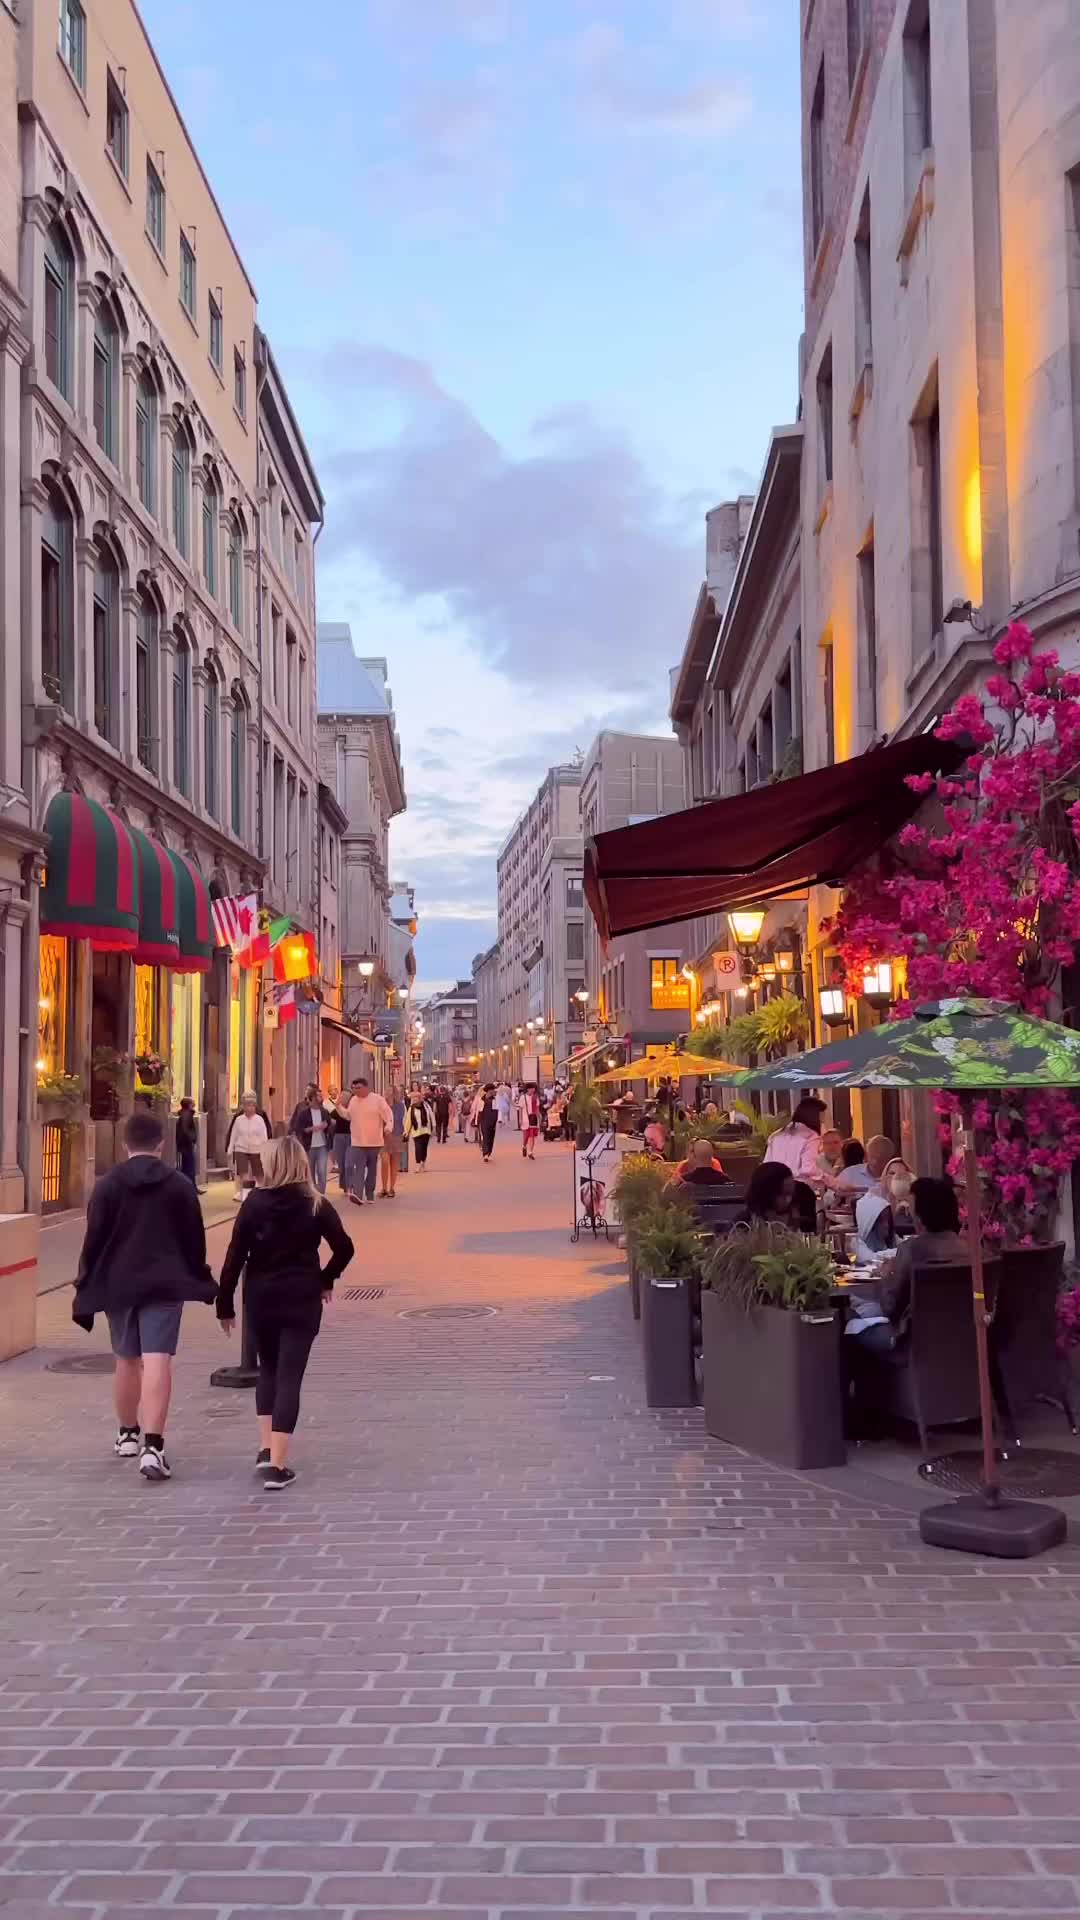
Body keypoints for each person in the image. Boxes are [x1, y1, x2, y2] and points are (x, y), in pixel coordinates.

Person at [73, 1108, 216, 1481]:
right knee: (157, 1360)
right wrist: (199, 1277)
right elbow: (193, 1240)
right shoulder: (179, 1185)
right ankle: (154, 1445)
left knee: (125, 1359)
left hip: (119, 1284)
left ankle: (127, 1434)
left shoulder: (107, 1185)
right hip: (165, 1283)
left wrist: (85, 1282)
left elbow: (94, 1240)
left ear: (124, 1144)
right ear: (162, 1143)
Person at [216, 1136, 354, 1491]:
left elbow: (235, 1256)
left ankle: (265, 1448)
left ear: (271, 1165)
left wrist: (225, 1304)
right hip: (301, 1297)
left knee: (269, 1372)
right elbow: (344, 1248)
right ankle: (278, 1465)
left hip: (261, 1298)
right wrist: (326, 1278)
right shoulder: (315, 1204)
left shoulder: (254, 1204)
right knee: (290, 1376)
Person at [337, 1076, 394, 1207]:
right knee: (359, 1168)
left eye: (358, 1088)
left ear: (366, 1088)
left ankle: (369, 1194)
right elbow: (348, 1115)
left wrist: (388, 1128)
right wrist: (339, 1107)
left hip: (374, 1142)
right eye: (353, 1088)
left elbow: (388, 1115)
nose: (355, 1090)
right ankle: (357, 1194)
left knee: (372, 1169)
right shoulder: (353, 1101)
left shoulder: (378, 1100)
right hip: (357, 1142)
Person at [854, 1140, 914, 1260]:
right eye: (892, 1173)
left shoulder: (916, 1204)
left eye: (902, 1174)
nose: (897, 1177)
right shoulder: (872, 1202)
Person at [763, 1096, 827, 1185]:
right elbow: (808, 1168)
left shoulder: (776, 1135)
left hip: (774, 1186)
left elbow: (767, 1165)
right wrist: (830, 1180)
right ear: (815, 1116)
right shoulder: (811, 1136)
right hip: (797, 1186)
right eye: (822, 1117)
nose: (822, 1121)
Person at [289, 1083, 336, 1195]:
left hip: (322, 1146)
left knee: (321, 1171)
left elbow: (330, 1124)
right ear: (312, 1098)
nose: (321, 1098)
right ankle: (313, 1192)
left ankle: (321, 1194)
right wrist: (312, 1129)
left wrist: (326, 1126)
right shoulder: (304, 1113)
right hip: (309, 1146)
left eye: (321, 1096)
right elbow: (298, 1128)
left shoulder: (324, 1112)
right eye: (318, 1096)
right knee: (310, 1172)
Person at [227, 1091, 270, 1201]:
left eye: (251, 1105)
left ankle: (260, 1194)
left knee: (259, 1174)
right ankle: (245, 1198)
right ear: (243, 1106)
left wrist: (265, 1149)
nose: (249, 1108)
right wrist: (230, 1148)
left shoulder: (259, 1119)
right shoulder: (239, 1119)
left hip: (256, 1149)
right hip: (241, 1148)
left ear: (255, 1106)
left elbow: (264, 1135)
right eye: (246, 1105)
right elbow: (233, 1134)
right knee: (243, 1175)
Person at [743, 1160, 796, 1225]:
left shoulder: (801, 1218)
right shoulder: (743, 1224)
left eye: (790, 1194)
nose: (788, 1200)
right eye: (782, 1195)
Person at [382, 1091, 407, 1197]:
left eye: (392, 1094)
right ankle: (384, 1188)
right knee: (385, 1161)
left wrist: (405, 1133)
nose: (389, 1096)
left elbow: (403, 1120)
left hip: (397, 1136)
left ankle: (391, 1188)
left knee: (394, 1163)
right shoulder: (382, 1105)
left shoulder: (401, 1106)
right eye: (388, 1094)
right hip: (383, 1137)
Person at [404, 1089, 434, 1170]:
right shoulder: (411, 1108)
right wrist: (406, 1131)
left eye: (416, 1097)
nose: (414, 1099)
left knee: (424, 1148)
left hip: (426, 1131)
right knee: (418, 1148)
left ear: (420, 1098)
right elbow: (408, 1120)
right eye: (413, 1098)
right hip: (416, 1131)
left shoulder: (426, 1106)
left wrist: (433, 1128)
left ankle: (423, 1163)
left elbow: (431, 1116)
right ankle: (418, 1164)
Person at [175, 1098, 198, 1187]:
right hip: (186, 1145)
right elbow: (185, 1130)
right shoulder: (186, 1115)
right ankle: (191, 1186)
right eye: (192, 1102)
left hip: (184, 1145)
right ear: (189, 1104)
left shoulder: (186, 1114)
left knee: (188, 1167)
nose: (194, 1103)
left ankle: (192, 1186)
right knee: (189, 1167)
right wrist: (192, 1139)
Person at [518, 1083, 541, 1159]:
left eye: (534, 1089)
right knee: (526, 1136)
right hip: (525, 1118)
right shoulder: (522, 1097)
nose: (533, 1090)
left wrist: (538, 1118)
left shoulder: (535, 1097)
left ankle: (530, 1152)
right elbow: (520, 1109)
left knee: (532, 1136)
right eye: (531, 1088)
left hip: (533, 1119)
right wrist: (520, 1119)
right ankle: (524, 1146)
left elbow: (537, 1108)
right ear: (528, 1089)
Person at [477, 1084, 499, 1162]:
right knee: (485, 1137)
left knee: (491, 1137)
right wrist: (477, 1122)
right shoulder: (481, 1099)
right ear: (489, 1090)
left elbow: (497, 1111)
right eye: (493, 1090)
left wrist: (497, 1121)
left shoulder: (495, 1100)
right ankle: (485, 1154)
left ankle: (489, 1152)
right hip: (484, 1120)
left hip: (492, 1121)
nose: (495, 1091)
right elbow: (478, 1111)